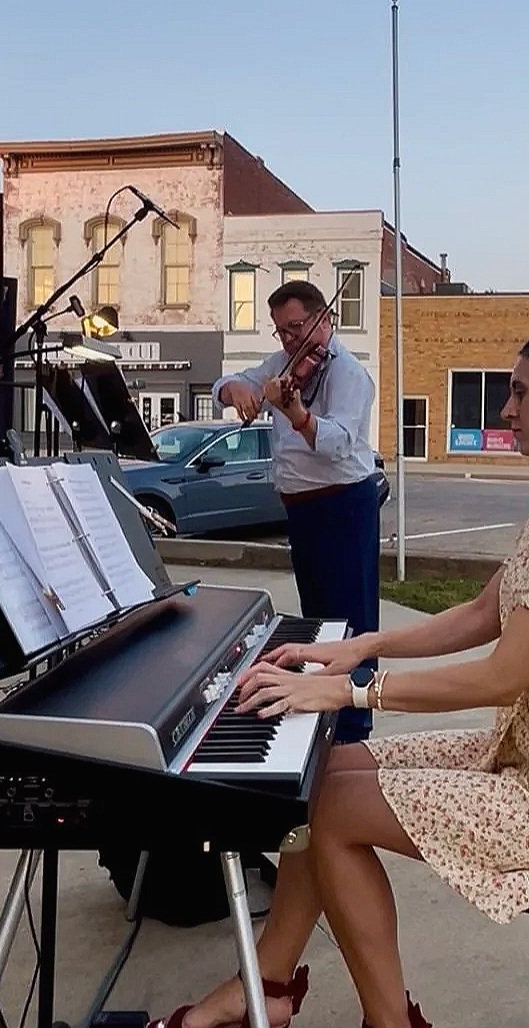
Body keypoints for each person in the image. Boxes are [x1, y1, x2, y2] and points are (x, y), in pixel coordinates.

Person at [147, 309, 529, 1028]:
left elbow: (501, 674)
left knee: (332, 811)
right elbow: (481, 615)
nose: (504, 410)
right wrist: (359, 648)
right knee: (325, 774)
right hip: (528, 751)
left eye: (517, 393)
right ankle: (267, 988)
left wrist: (353, 695)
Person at [212, 279, 380, 744]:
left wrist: (298, 414)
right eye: (281, 332)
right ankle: (324, 717)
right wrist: (234, 391)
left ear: (324, 319)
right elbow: (228, 384)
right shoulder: (281, 363)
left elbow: (339, 442)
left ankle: (354, 731)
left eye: (296, 328)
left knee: (351, 622)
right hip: (303, 511)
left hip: (344, 506)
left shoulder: (349, 374)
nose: (289, 341)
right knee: (318, 623)